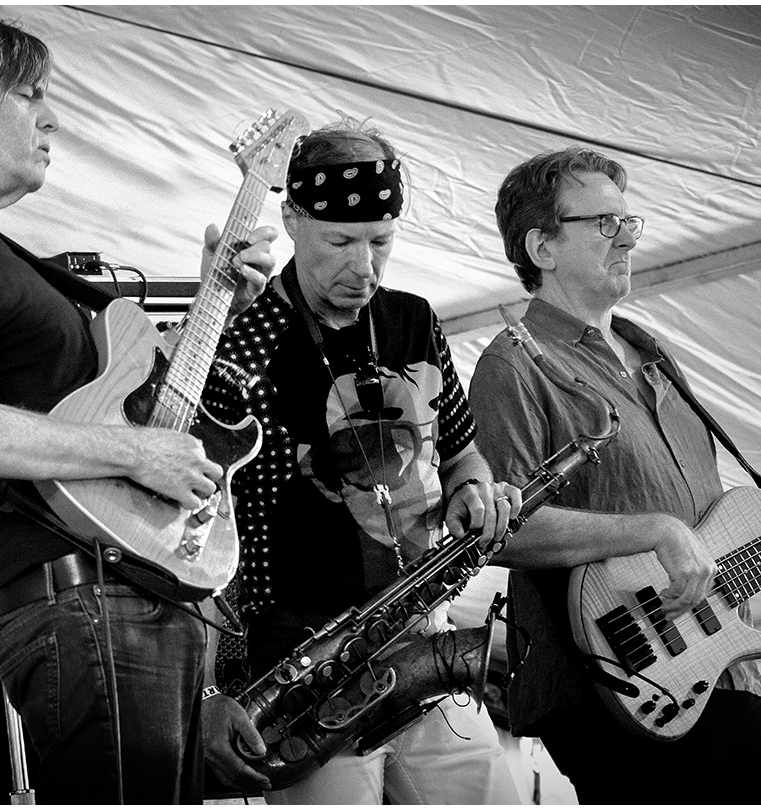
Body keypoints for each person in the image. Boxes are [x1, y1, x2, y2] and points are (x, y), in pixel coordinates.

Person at [0, 18, 277, 804]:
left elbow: (120, 408)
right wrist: (141, 456)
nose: (51, 118)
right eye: (29, 93)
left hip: (138, 592)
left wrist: (212, 294)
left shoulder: (6, 258)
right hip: (78, 604)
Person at [466, 146, 761, 804]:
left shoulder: (653, 357)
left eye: (629, 222)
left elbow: (714, 538)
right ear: (542, 247)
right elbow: (496, 531)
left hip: (718, 676)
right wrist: (654, 530)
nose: (627, 238)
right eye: (605, 223)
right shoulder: (515, 363)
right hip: (611, 687)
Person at [198, 121, 524, 805]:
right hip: (303, 667)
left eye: (382, 241)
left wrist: (474, 492)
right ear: (292, 218)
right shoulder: (251, 334)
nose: (364, 268)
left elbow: (464, 453)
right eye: (341, 242)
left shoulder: (413, 318)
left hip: (422, 635)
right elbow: (192, 510)